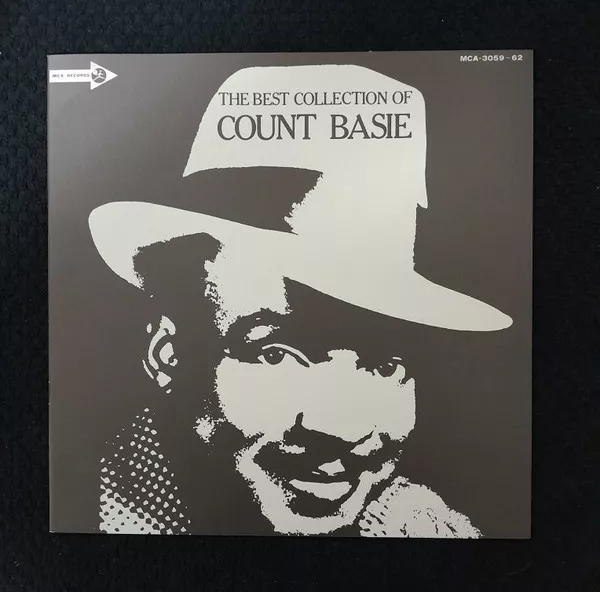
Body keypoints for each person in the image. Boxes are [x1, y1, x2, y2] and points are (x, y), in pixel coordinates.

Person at [89, 64, 512, 537]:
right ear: (167, 356)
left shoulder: (424, 528)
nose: (340, 429)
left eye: (385, 365)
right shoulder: (92, 519)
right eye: (275, 354)